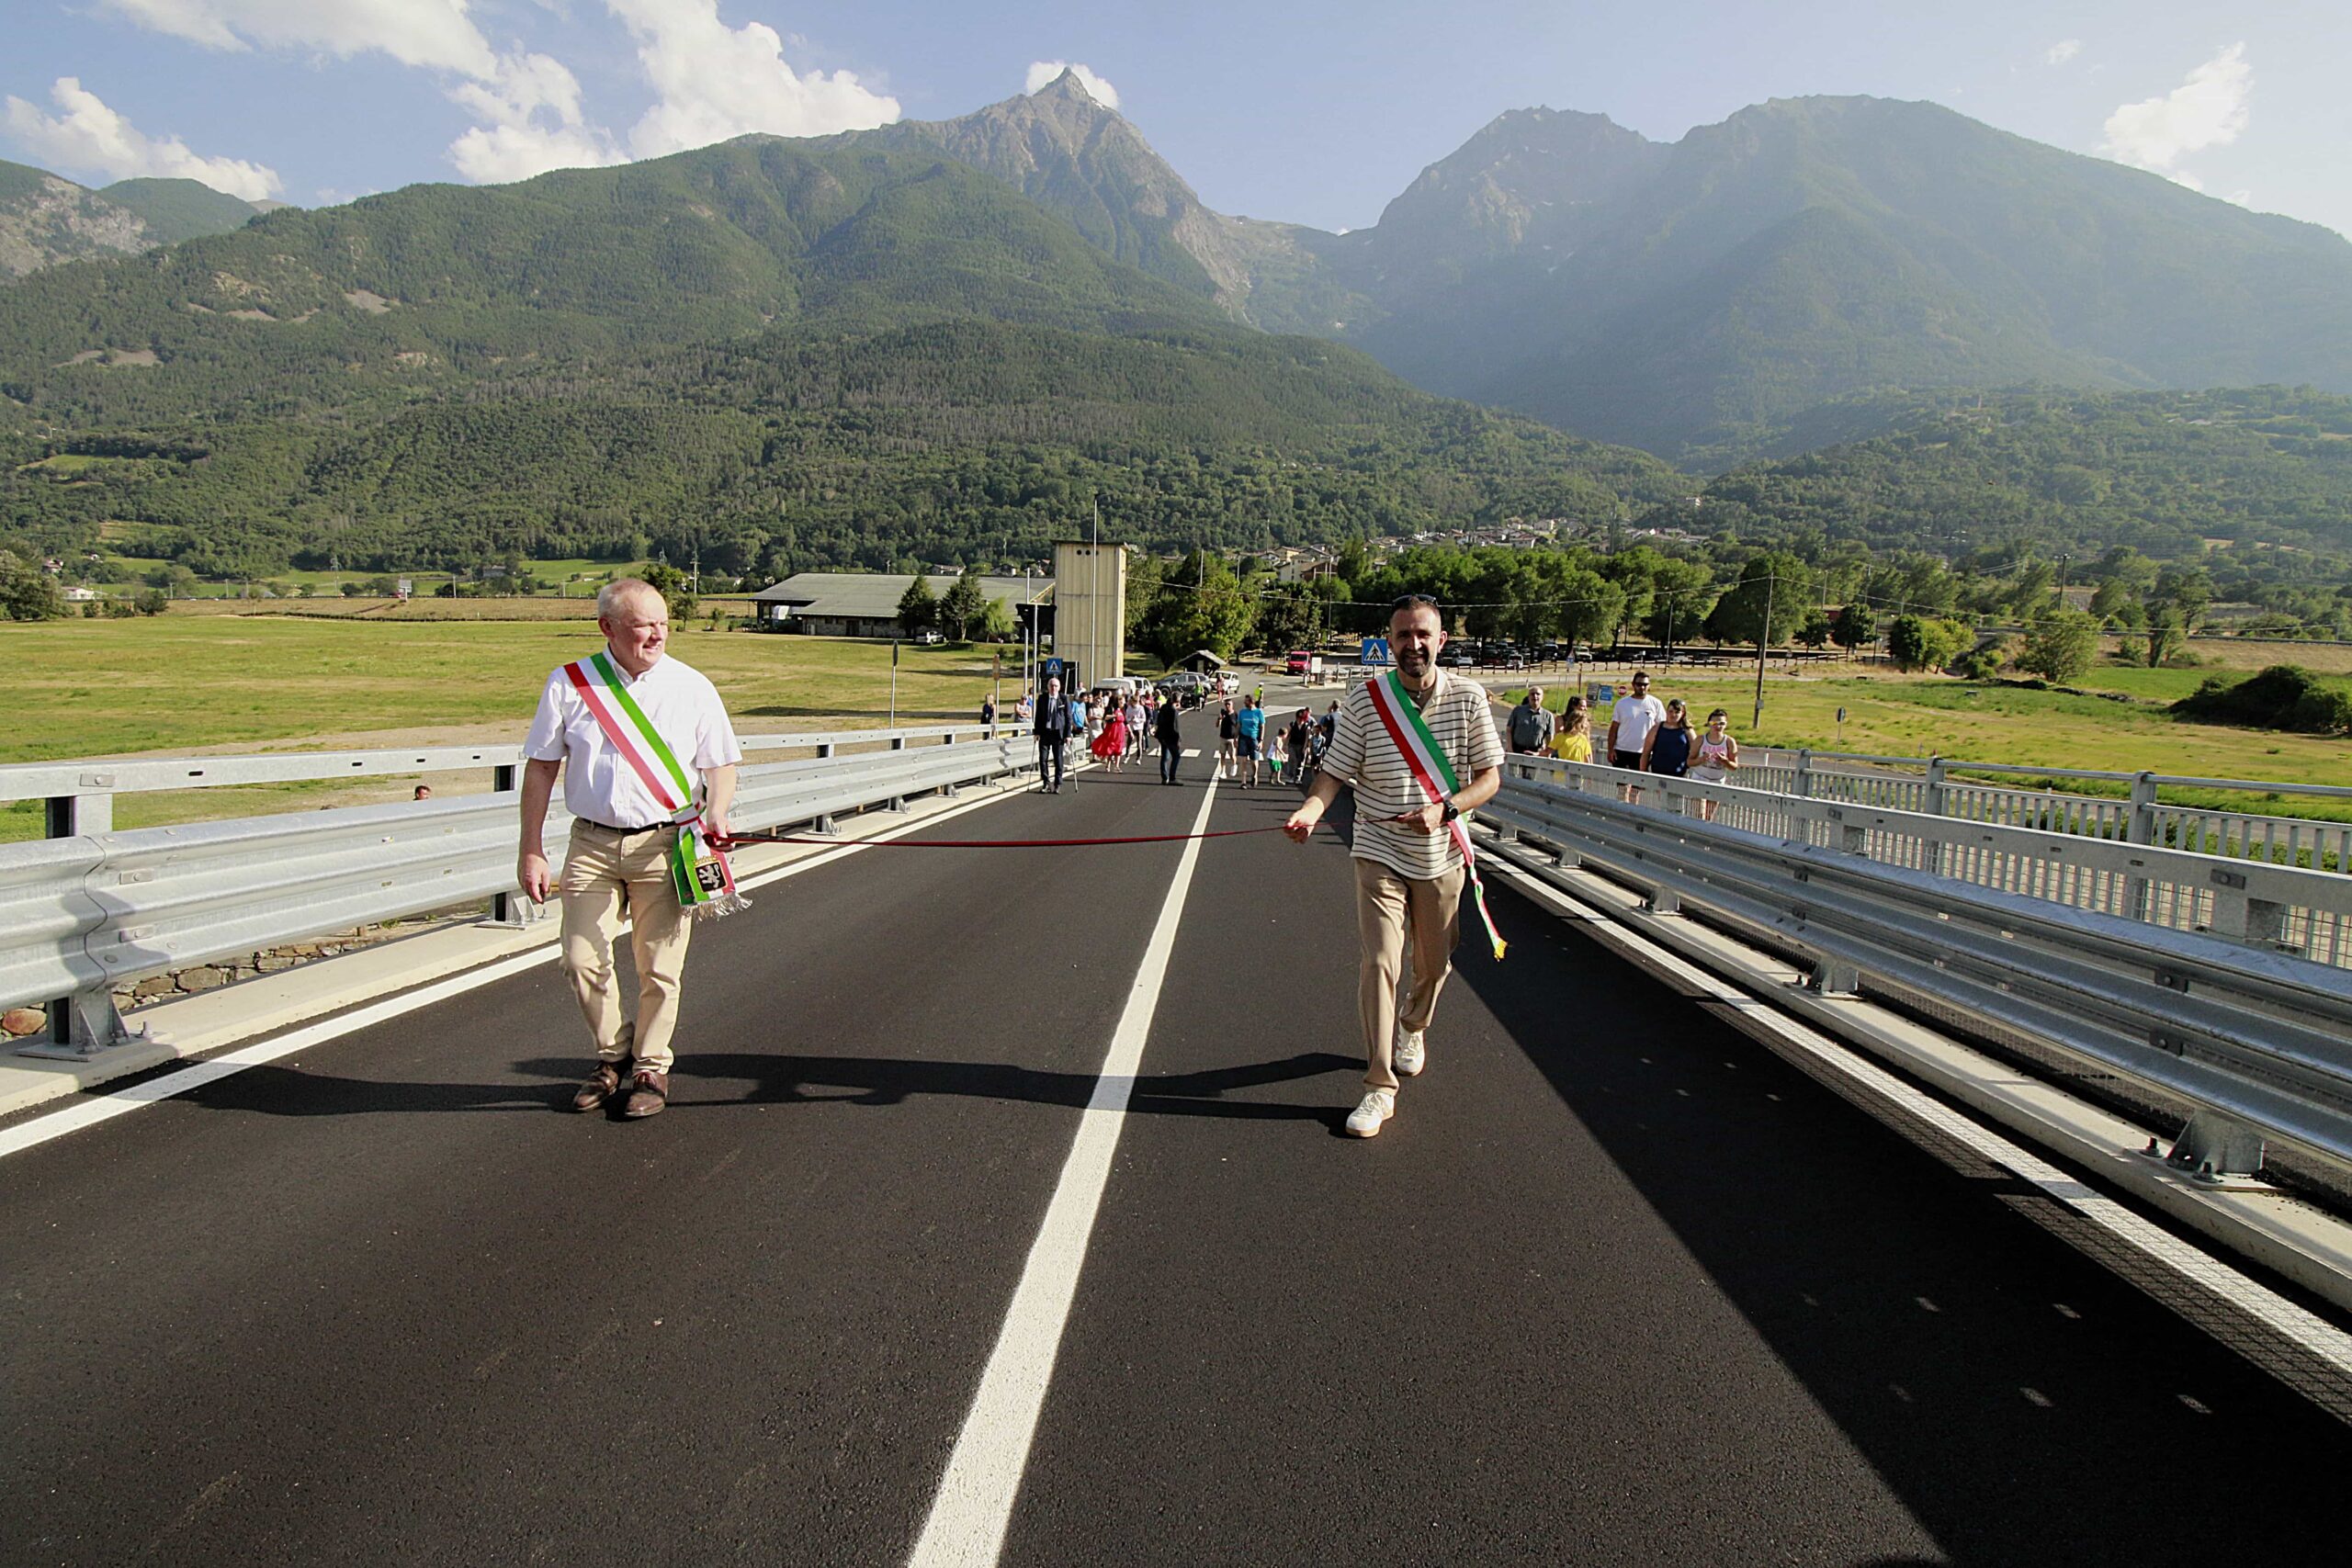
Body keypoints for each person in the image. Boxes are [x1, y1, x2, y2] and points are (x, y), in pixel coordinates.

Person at [518, 579, 741, 1122]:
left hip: (665, 845)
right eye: (644, 624)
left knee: (660, 968)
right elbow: (543, 766)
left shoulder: (691, 686)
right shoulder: (570, 684)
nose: (657, 634)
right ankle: (612, 1054)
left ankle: (650, 1066)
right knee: (580, 958)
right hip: (590, 842)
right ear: (608, 628)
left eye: (663, 622)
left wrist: (717, 810)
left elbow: (722, 763)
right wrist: (531, 848)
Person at [1283, 594, 1502, 1140]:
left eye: (1423, 634)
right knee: (1380, 961)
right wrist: (1311, 809)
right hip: (1377, 849)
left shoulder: (1470, 698)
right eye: (1403, 636)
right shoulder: (1364, 702)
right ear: (1389, 642)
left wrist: (1445, 808)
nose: (1414, 645)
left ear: (1441, 639)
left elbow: (1490, 778)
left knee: (1434, 963)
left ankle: (1414, 1025)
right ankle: (1378, 1087)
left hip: (1443, 854)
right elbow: (1333, 774)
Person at [1607, 670, 1665, 803]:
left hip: (1642, 753)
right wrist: (1611, 749)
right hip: (1622, 750)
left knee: (1636, 789)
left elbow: (1660, 728)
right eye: (1639, 684)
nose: (1642, 687)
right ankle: (1621, 811)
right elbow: (1614, 728)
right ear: (1633, 685)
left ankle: (1633, 813)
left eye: (1645, 684)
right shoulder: (1623, 704)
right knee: (1622, 788)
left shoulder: (1655, 704)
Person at [1641, 698, 1696, 807]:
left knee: (1677, 805)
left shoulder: (1687, 731)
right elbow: (1646, 753)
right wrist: (1643, 773)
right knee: (1661, 804)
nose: (1673, 715)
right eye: (1670, 711)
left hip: (1679, 774)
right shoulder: (1657, 728)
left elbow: (1695, 751)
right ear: (1666, 712)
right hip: (1659, 773)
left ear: (1683, 713)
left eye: (1677, 712)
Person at [1689, 707, 1740, 820]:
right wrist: (1702, 759)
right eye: (1714, 723)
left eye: (1722, 723)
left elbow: (1734, 766)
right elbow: (1690, 761)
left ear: (1726, 725)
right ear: (1709, 724)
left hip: (1717, 780)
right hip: (1700, 778)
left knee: (1708, 817)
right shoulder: (1700, 740)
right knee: (1698, 814)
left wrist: (1724, 761)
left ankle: (1704, 835)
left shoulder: (1729, 742)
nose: (1718, 726)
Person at [1031, 675, 1073, 793]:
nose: (1053, 688)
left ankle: (1058, 783)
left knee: (1058, 759)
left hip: (1057, 733)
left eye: (1056, 686)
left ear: (1059, 687)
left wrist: (1068, 735)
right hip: (1045, 732)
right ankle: (1046, 783)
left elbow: (1068, 718)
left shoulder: (1063, 699)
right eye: (1051, 686)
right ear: (1048, 687)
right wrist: (1037, 732)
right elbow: (1038, 716)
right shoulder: (1043, 699)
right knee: (1043, 759)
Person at [1507, 686, 1555, 754]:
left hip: (1536, 753)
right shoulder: (1518, 711)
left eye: (1538, 694)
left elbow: (1550, 738)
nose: (1535, 696)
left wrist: (1545, 754)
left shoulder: (1548, 716)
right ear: (1528, 697)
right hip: (1517, 751)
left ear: (1542, 697)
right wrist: (1509, 748)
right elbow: (1509, 730)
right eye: (1532, 694)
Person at [1551, 695, 1593, 763]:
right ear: (1573, 706)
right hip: (1562, 756)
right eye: (1583, 706)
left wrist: (1591, 763)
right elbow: (1560, 734)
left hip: (1578, 758)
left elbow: (1587, 744)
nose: (1585, 709)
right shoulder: (1561, 719)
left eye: (1586, 706)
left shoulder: (1586, 723)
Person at [1234, 695, 1265, 788]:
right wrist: (1235, 737)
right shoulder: (1242, 712)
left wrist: (1261, 740)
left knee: (1254, 762)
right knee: (1243, 760)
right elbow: (1239, 725)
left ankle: (1254, 775)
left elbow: (1262, 726)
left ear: (1251, 702)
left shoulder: (1258, 712)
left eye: (1246, 701)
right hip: (1243, 737)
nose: (1244, 703)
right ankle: (1243, 782)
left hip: (1254, 738)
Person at [1091, 697, 1129, 771]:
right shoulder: (1111, 708)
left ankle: (1117, 766)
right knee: (1111, 747)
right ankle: (1108, 765)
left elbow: (1125, 721)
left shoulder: (1122, 710)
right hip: (1113, 731)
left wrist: (1130, 731)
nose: (1123, 704)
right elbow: (1105, 717)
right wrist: (1114, 716)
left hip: (1120, 732)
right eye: (1122, 702)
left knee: (1119, 748)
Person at [1156, 692, 1183, 784]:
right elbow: (1175, 727)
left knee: (1165, 757)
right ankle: (1172, 778)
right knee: (1176, 756)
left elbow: (1159, 720)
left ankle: (1164, 777)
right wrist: (1178, 740)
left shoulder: (1164, 707)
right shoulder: (1173, 711)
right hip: (1170, 737)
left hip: (1162, 735)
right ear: (1178, 700)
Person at [1216, 699, 1239, 781]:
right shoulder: (1223, 713)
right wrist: (1219, 719)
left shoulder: (1236, 715)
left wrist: (1237, 738)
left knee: (1232, 755)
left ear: (1232, 705)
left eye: (1229, 704)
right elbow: (1217, 725)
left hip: (1232, 739)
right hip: (1223, 737)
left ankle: (1234, 765)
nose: (1227, 706)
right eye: (1226, 704)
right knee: (1222, 755)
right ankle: (1223, 771)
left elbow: (1238, 727)